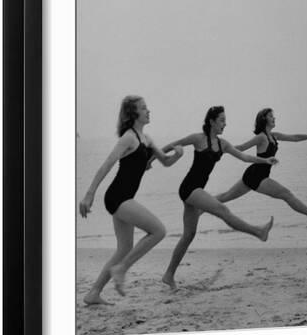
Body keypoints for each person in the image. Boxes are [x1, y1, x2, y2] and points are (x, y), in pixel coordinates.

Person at [159, 106, 278, 290]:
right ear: (212, 121)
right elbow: (171, 145)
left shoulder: (223, 145)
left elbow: (245, 157)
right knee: (222, 210)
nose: (225, 124)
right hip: (189, 188)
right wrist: (151, 161)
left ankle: (168, 275)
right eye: (222, 120)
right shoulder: (198, 138)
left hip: (196, 191)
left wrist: (265, 160)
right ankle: (258, 232)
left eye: (225, 120)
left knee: (188, 235)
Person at [79, 95, 183, 303]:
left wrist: (177, 155)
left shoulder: (147, 139)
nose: (148, 111)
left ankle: (93, 293)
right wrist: (89, 194)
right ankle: (122, 269)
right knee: (158, 231)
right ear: (134, 114)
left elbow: (165, 161)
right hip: (118, 197)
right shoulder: (129, 137)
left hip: (124, 197)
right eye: (144, 108)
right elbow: (107, 165)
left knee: (124, 248)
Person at [216, 108, 307, 223]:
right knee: (286, 194)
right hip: (257, 176)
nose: (274, 118)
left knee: (225, 197)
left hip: (254, 174)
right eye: (271, 116)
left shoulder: (273, 136)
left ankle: (201, 205)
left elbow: (294, 138)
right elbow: (242, 147)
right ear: (264, 119)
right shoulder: (261, 137)